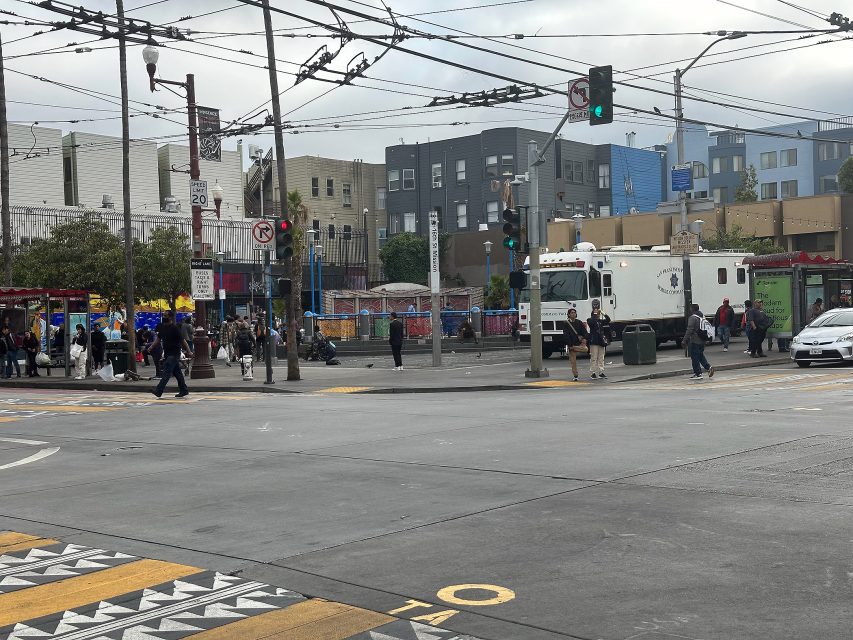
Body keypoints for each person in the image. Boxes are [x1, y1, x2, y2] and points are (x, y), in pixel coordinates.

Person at [146, 311, 191, 398]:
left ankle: (159, 391)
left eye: (165, 316)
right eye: (163, 315)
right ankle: (184, 390)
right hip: (167, 353)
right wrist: (151, 347)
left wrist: (188, 351)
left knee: (166, 372)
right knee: (177, 373)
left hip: (174, 353)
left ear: (170, 317)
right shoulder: (162, 328)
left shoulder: (175, 328)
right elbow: (158, 340)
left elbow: (183, 340)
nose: (164, 317)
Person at [684, 304, 715, 380]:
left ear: (692, 309)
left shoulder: (692, 318)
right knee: (700, 355)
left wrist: (685, 339)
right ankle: (708, 367)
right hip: (702, 340)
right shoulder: (702, 317)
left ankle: (698, 373)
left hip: (695, 340)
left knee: (694, 357)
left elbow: (690, 329)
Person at [587, 299, 611, 379]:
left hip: (601, 341)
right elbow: (592, 323)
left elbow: (608, 320)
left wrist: (602, 312)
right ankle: (593, 372)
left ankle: (601, 371)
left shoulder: (601, 321)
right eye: (597, 313)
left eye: (599, 313)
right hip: (594, 341)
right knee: (594, 357)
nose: (598, 314)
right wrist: (594, 312)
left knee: (601, 357)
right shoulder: (590, 320)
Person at [563, 308, 588, 382]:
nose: (573, 314)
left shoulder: (579, 322)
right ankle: (575, 375)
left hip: (577, 344)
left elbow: (585, 332)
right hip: (571, 344)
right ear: (569, 314)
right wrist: (569, 344)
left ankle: (572, 348)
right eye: (571, 313)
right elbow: (566, 335)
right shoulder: (566, 323)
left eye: (574, 312)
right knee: (573, 362)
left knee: (586, 349)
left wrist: (583, 338)